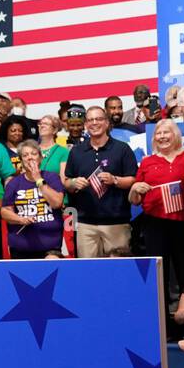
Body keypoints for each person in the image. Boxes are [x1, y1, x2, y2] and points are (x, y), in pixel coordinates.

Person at [130, 119, 184, 301]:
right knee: (159, 270)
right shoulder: (147, 162)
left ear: (175, 134)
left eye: (166, 132)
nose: (162, 136)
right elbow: (134, 201)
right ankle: (161, 315)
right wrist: (135, 189)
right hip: (154, 222)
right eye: (158, 133)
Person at [63, 106, 138, 257]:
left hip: (117, 223)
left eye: (98, 119)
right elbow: (66, 181)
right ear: (85, 124)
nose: (94, 123)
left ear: (106, 123)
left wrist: (115, 180)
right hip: (85, 225)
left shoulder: (122, 149)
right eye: (90, 120)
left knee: (118, 273)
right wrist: (73, 183)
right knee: (88, 274)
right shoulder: (76, 152)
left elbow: (133, 179)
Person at [1, 140, 65, 259]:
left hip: (50, 245)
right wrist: (20, 219)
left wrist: (39, 180)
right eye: (25, 155)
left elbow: (57, 203)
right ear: (21, 160)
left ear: (40, 158)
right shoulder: (14, 183)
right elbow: (5, 211)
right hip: (21, 246)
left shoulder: (52, 178)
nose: (30, 157)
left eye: (34, 154)